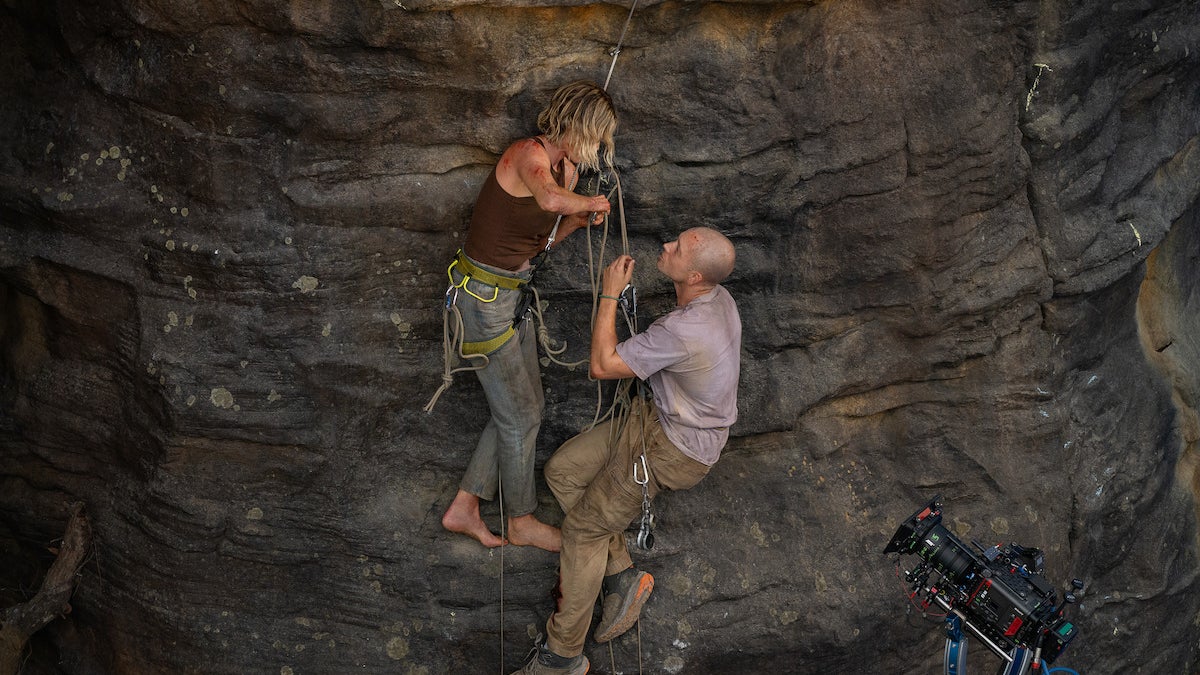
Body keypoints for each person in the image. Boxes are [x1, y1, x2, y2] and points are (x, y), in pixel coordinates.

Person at [513, 227, 741, 674]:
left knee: (583, 531)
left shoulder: (683, 330)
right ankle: (620, 575)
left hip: (673, 449)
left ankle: (562, 658)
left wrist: (609, 294)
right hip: (656, 421)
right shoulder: (719, 298)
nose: (667, 245)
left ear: (695, 276)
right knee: (563, 470)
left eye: (678, 248)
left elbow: (603, 365)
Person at [439, 81, 617, 552]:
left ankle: (464, 506)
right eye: (597, 137)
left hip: (509, 297)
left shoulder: (565, 170)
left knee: (525, 409)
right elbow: (550, 201)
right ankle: (520, 521)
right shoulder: (527, 156)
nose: (600, 149)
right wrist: (589, 203)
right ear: (577, 126)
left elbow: (537, 243)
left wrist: (576, 222)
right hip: (480, 302)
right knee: (519, 418)